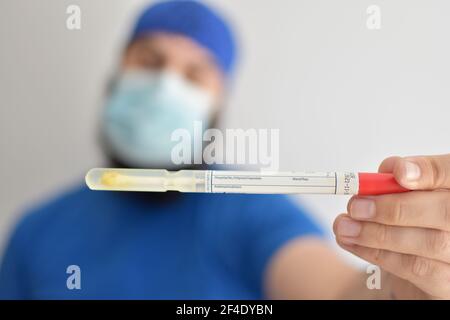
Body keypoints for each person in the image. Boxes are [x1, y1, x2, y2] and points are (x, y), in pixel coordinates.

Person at [1, 0, 450, 300]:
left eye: (194, 75)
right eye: (151, 61)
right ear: (118, 70)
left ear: (218, 103)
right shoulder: (35, 232)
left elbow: (337, 292)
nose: (165, 86)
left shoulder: (247, 210)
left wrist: (402, 285)